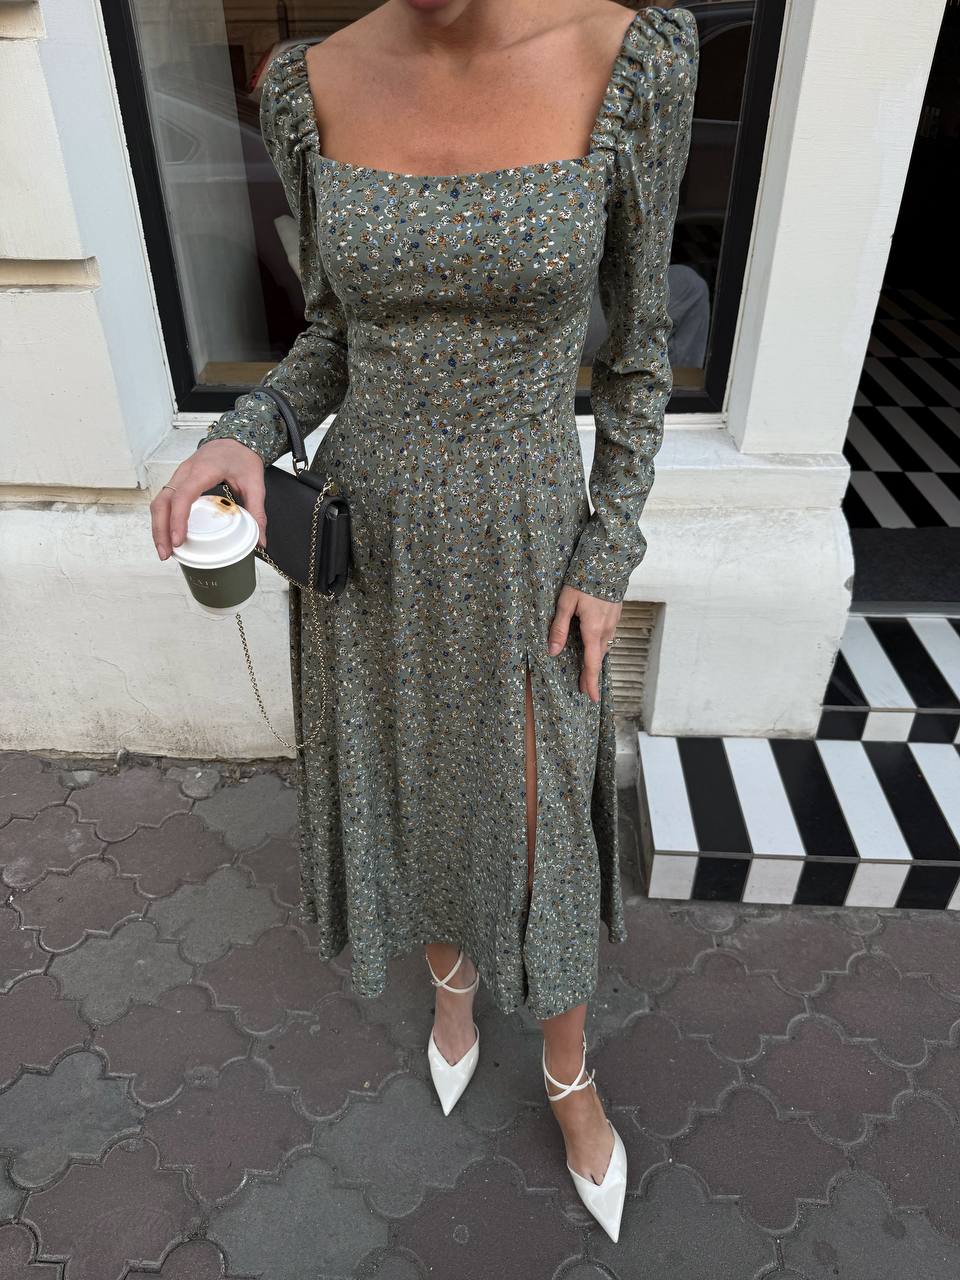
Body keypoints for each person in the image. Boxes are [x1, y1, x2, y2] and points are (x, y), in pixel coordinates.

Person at [150, 0, 698, 1244]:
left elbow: (637, 357)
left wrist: (607, 549)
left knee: (540, 819)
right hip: (374, 534)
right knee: (414, 783)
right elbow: (332, 336)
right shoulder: (312, 85)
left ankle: (567, 1070)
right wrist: (243, 433)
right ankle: (452, 985)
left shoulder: (630, 62)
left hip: (528, 539)